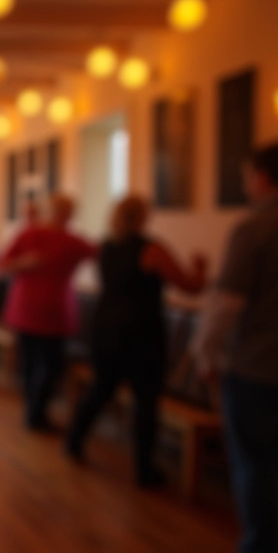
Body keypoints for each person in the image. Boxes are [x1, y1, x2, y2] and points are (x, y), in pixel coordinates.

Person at [192, 143, 278, 553]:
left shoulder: (254, 227)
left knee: (256, 467)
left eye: (247, 176)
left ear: (263, 177)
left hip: (257, 371)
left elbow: (226, 304)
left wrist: (205, 355)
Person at [65, 195, 206, 487]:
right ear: (143, 217)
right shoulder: (151, 250)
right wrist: (201, 269)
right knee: (145, 400)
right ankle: (144, 470)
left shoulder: (104, 247)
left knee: (101, 389)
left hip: (105, 328)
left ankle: (74, 439)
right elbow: (189, 286)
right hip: (140, 333)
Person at [0, 194, 95, 432]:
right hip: (29, 310)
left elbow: (107, 256)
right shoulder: (30, 235)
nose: (63, 215)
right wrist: (24, 263)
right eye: (59, 210)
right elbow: (2, 265)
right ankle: (34, 412)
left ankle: (36, 411)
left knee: (50, 366)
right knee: (33, 364)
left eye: (67, 211)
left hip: (55, 312)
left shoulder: (73, 241)